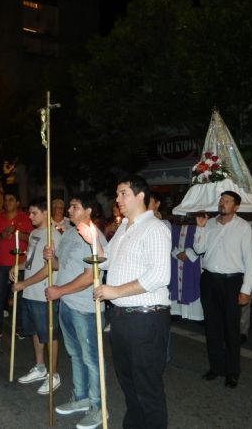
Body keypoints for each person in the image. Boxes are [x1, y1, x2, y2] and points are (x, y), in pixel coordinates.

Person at [76, 175, 171, 429]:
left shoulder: (156, 228)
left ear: (141, 196)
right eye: (117, 194)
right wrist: (92, 239)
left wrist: (115, 291)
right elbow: (106, 261)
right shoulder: (124, 227)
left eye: (123, 193)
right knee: (128, 382)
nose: (117, 200)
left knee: (146, 387)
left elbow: (160, 276)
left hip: (146, 317)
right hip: (122, 318)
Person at [45, 192, 109, 429]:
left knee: (92, 360)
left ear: (89, 210)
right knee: (75, 354)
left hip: (85, 308)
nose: (69, 210)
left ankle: (98, 408)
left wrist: (60, 291)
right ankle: (81, 397)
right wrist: (50, 258)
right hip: (68, 305)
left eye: (74, 206)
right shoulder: (71, 233)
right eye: (70, 206)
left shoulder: (94, 237)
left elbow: (89, 276)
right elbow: (62, 266)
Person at [193, 191, 252, 388]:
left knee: (231, 329)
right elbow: (198, 249)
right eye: (221, 200)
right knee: (212, 328)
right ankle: (216, 367)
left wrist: (246, 289)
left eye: (227, 201)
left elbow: (250, 260)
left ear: (236, 207)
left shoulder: (243, 227)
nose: (222, 203)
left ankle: (232, 372)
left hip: (232, 282)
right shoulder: (209, 223)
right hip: (210, 280)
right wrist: (200, 228)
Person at [11, 197, 63, 395]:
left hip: (44, 293)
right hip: (31, 292)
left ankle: (54, 374)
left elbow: (48, 268)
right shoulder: (33, 233)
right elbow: (31, 261)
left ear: (45, 213)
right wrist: (17, 266)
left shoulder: (53, 236)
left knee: (49, 334)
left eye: (34, 213)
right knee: (35, 331)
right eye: (30, 212)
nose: (30, 216)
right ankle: (40, 367)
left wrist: (24, 283)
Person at [0, 192, 33, 342]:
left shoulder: (25, 218)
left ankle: (19, 327)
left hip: (20, 264)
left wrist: (17, 233)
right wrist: (1, 236)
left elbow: (33, 237)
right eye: (5, 200)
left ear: (17, 202)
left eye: (11, 200)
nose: (7, 202)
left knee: (20, 298)